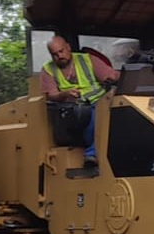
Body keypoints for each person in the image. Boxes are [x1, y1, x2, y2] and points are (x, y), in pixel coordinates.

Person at [41, 35, 120, 169]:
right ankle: (92, 153)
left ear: (68, 48)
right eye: (55, 54)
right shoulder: (48, 70)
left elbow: (112, 75)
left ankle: (96, 152)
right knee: (91, 112)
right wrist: (64, 94)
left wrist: (117, 80)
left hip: (99, 101)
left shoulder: (87, 59)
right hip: (70, 110)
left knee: (105, 109)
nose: (59, 56)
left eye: (61, 51)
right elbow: (51, 95)